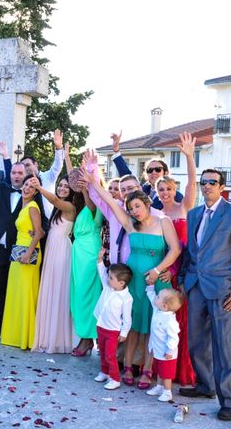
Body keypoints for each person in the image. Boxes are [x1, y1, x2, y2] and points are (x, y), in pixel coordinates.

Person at [83, 167, 181, 391]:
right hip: (134, 279)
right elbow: (108, 200)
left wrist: (158, 271)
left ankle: (148, 370)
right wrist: (93, 182)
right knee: (134, 325)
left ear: (147, 204)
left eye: (137, 206)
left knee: (152, 326)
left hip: (156, 280)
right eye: (130, 208)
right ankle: (127, 367)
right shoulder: (130, 224)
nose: (134, 211)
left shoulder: (163, 221)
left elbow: (174, 250)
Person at [178, 168, 231, 421]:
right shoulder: (194, 214)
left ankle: (230, 401)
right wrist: (182, 280)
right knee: (196, 341)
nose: (207, 185)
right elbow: (191, 251)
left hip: (223, 290)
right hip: (196, 286)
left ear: (221, 186)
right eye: (204, 182)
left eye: (212, 182)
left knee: (223, 347)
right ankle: (206, 385)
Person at [0, 142, 47, 340]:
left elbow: (43, 223)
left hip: (18, 250)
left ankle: (12, 326)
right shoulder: (1, 189)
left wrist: (38, 233)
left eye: (20, 173)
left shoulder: (33, 197)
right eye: (14, 172)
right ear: (10, 174)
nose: (17, 176)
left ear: (25, 175)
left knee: (13, 291)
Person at [156, 132, 197, 387]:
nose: (164, 192)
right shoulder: (156, 212)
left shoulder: (184, 207)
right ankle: (164, 371)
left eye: (169, 188)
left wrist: (189, 156)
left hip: (183, 270)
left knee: (183, 320)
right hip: (164, 269)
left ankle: (182, 371)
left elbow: (193, 181)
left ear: (175, 190)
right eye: (160, 189)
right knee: (165, 318)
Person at [31, 175, 82, 353]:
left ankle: (58, 339)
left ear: (72, 190)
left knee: (58, 291)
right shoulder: (57, 210)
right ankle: (48, 336)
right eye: (60, 185)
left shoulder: (70, 207)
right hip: (52, 251)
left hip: (61, 252)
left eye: (66, 186)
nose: (61, 188)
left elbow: (53, 199)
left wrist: (39, 187)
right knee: (50, 289)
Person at [0, 175, 44, 349]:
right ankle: (15, 336)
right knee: (16, 293)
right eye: (25, 185)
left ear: (35, 192)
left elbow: (39, 232)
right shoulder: (24, 206)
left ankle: (26, 338)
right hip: (18, 251)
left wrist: (28, 253)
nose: (26, 188)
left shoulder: (33, 207)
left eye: (31, 187)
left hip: (28, 254)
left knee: (25, 295)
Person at [70, 172, 103, 357]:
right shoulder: (82, 207)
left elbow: (90, 202)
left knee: (87, 295)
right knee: (78, 295)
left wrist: (85, 187)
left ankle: (88, 338)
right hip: (79, 253)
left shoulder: (94, 206)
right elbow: (71, 176)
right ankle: (85, 337)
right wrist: (66, 156)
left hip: (90, 252)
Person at [109, 131, 183, 209]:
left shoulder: (176, 195)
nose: (153, 172)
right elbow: (127, 176)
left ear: (166, 173)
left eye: (157, 169)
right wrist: (116, 150)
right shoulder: (142, 190)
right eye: (150, 170)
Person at [92, 249, 133, 390]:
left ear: (121, 283)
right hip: (101, 326)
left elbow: (127, 318)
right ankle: (104, 371)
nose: (107, 279)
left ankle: (115, 378)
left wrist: (124, 333)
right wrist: (99, 259)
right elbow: (101, 271)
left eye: (111, 278)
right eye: (109, 277)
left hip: (113, 330)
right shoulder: (108, 287)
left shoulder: (126, 298)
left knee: (110, 355)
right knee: (102, 352)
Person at [144, 284, 183, 402]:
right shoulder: (158, 310)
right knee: (160, 370)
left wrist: (170, 350)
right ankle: (160, 387)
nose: (156, 297)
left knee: (166, 373)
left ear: (165, 306)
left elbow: (173, 338)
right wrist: (150, 286)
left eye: (159, 297)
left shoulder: (170, 321)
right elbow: (152, 297)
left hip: (167, 353)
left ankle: (167, 392)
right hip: (158, 349)